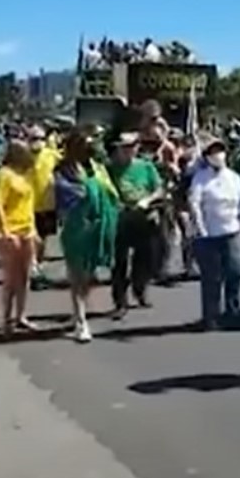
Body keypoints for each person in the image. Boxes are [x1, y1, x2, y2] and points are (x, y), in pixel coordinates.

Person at [55, 129, 119, 343]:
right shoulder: (64, 171)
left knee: (89, 277)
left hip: (98, 228)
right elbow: (66, 198)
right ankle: (81, 320)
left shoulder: (98, 168)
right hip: (77, 229)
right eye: (86, 144)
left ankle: (78, 311)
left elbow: (110, 192)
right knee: (77, 275)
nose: (92, 148)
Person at [188, 137, 240, 329]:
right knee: (211, 279)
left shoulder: (234, 177)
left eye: (221, 151)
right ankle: (211, 317)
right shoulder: (201, 178)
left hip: (232, 231)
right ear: (206, 157)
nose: (218, 155)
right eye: (213, 152)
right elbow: (194, 203)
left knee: (235, 272)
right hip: (209, 235)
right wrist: (200, 226)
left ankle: (232, 312)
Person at [107, 132, 164, 318]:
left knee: (145, 259)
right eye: (124, 147)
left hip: (144, 216)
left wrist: (148, 200)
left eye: (131, 147)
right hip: (121, 218)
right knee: (119, 262)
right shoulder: (109, 169)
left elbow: (159, 189)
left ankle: (139, 288)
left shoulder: (146, 166)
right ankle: (120, 301)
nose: (128, 151)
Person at [0, 140, 38, 335]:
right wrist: (5, 231)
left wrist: (33, 230)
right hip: (10, 230)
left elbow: (29, 205)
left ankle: (21, 316)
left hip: (27, 228)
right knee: (11, 278)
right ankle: (6, 319)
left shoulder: (25, 175)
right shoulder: (4, 174)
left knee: (25, 276)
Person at [28, 127, 61, 288]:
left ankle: (38, 268)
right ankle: (32, 268)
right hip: (27, 206)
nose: (37, 142)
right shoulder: (23, 157)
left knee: (43, 238)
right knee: (33, 239)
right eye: (34, 138)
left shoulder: (51, 155)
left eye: (40, 138)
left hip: (48, 204)